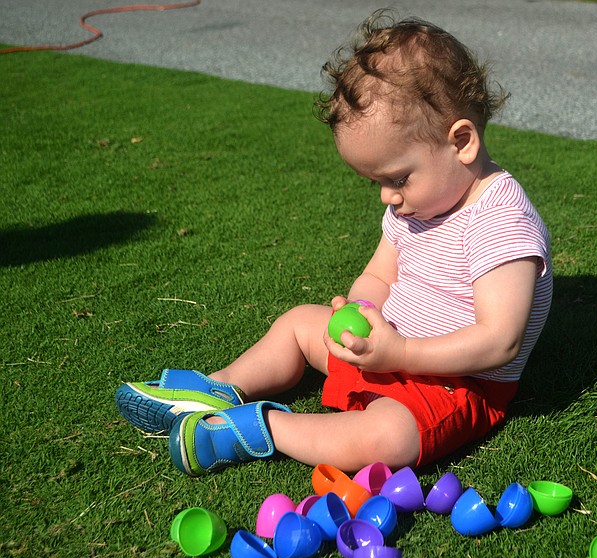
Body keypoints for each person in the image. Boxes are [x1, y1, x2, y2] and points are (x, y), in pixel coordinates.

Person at [115, 10, 553, 477]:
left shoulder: (500, 220)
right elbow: (381, 274)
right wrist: (360, 311)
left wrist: (402, 354)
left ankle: (262, 428)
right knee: (300, 324)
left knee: (388, 437)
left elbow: (498, 341)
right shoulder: (417, 204)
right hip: (386, 350)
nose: (388, 196)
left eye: (398, 177)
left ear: (461, 141)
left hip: (454, 382)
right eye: (376, 183)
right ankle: (219, 388)